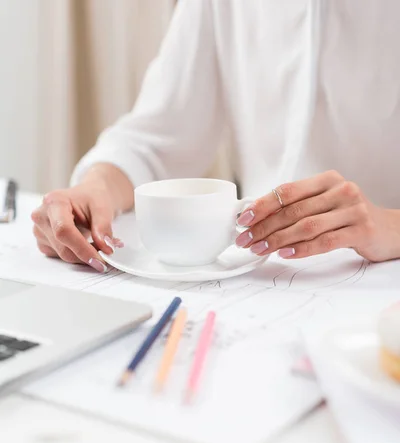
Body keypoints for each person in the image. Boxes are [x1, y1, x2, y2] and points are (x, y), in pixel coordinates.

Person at [32, 0, 400, 273]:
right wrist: (95, 190)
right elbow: (153, 140)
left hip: (381, 279)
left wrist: (388, 226)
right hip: (259, 283)